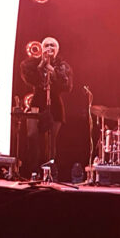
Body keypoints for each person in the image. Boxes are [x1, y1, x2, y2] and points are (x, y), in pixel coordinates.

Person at [19, 36, 72, 178]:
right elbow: (28, 78)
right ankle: (33, 170)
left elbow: (67, 87)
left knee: (50, 141)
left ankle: (49, 172)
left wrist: (53, 72)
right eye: (47, 45)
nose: (49, 48)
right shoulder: (33, 63)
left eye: (53, 46)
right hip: (37, 102)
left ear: (57, 50)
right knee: (32, 136)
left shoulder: (62, 66)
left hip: (54, 104)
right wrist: (41, 65)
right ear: (42, 48)